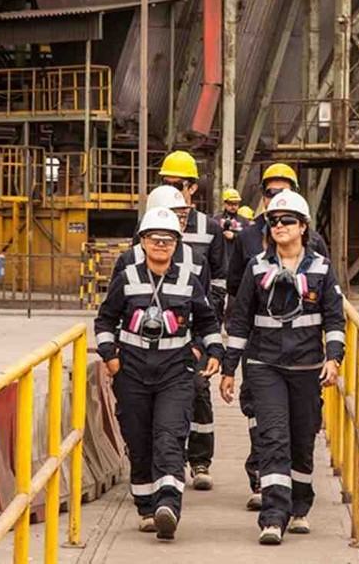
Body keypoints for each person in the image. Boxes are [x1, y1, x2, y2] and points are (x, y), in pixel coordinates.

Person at [220, 190, 345, 545]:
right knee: (272, 437)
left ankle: (300, 507)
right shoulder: (256, 267)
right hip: (265, 365)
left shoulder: (321, 268)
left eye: (287, 220)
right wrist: (230, 369)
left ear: (303, 227)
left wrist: (334, 358)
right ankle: (273, 518)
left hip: (307, 367)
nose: (279, 226)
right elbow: (240, 320)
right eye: (273, 221)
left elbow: (334, 320)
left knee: (302, 438)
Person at [94, 207, 223, 541]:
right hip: (132, 369)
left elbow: (208, 321)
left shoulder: (187, 280)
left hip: (174, 370)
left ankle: (168, 504)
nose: (161, 245)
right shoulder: (127, 278)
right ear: (143, 242)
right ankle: (146, 507)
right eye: (155, 239)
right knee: (138, 440)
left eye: (168, 240)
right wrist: (111, 358)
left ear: (177, 243)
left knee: (169, 434)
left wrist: (213, 351)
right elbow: (105, 321)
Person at [159, 150, 227, 490]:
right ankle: (166, 461)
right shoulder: (150, 225)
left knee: (198, 389)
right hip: (158, 332)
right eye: (165, 184)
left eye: (176, 184)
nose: (171, 189)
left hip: (196, 327)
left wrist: (204, 338)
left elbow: (218, 285)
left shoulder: (210, 229)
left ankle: (200, 461)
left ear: (192, 188)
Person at [214, 187, 247, 270]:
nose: (233, 206)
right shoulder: (216, 220)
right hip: (220, 263)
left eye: (236, 204)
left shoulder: (244, 221)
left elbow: (248, 240)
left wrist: (234, 237)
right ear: (224, 204)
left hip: (238, 263)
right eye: (230, 203)